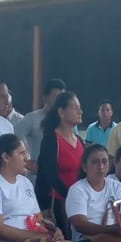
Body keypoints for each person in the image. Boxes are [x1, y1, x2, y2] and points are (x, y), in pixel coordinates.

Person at [35, 90, 84, 223]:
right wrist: (71, 195)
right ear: (61, 112)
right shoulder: (51, 140)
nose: (80, 112)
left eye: (80, 108)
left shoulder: (79, 140)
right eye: (75, 108)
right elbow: (50, 176)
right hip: (58, 203)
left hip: (80, 204)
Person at [14, 78, 65, 169]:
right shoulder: (32, 118)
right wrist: (27, 161)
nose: (60, 101)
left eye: (62, 98)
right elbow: (14, 139)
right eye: (56, 97)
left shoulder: (67, 121)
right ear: (45, 98)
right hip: (38, 174)